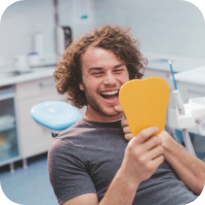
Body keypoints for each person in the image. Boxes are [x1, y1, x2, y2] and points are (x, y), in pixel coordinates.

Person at [47, 25, 205, 205]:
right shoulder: (67, 148)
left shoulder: (151, 121)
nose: (110, 81)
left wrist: (164, 140)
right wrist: (129, 175)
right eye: (97, 73)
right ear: (79, 82)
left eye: (118, 70)